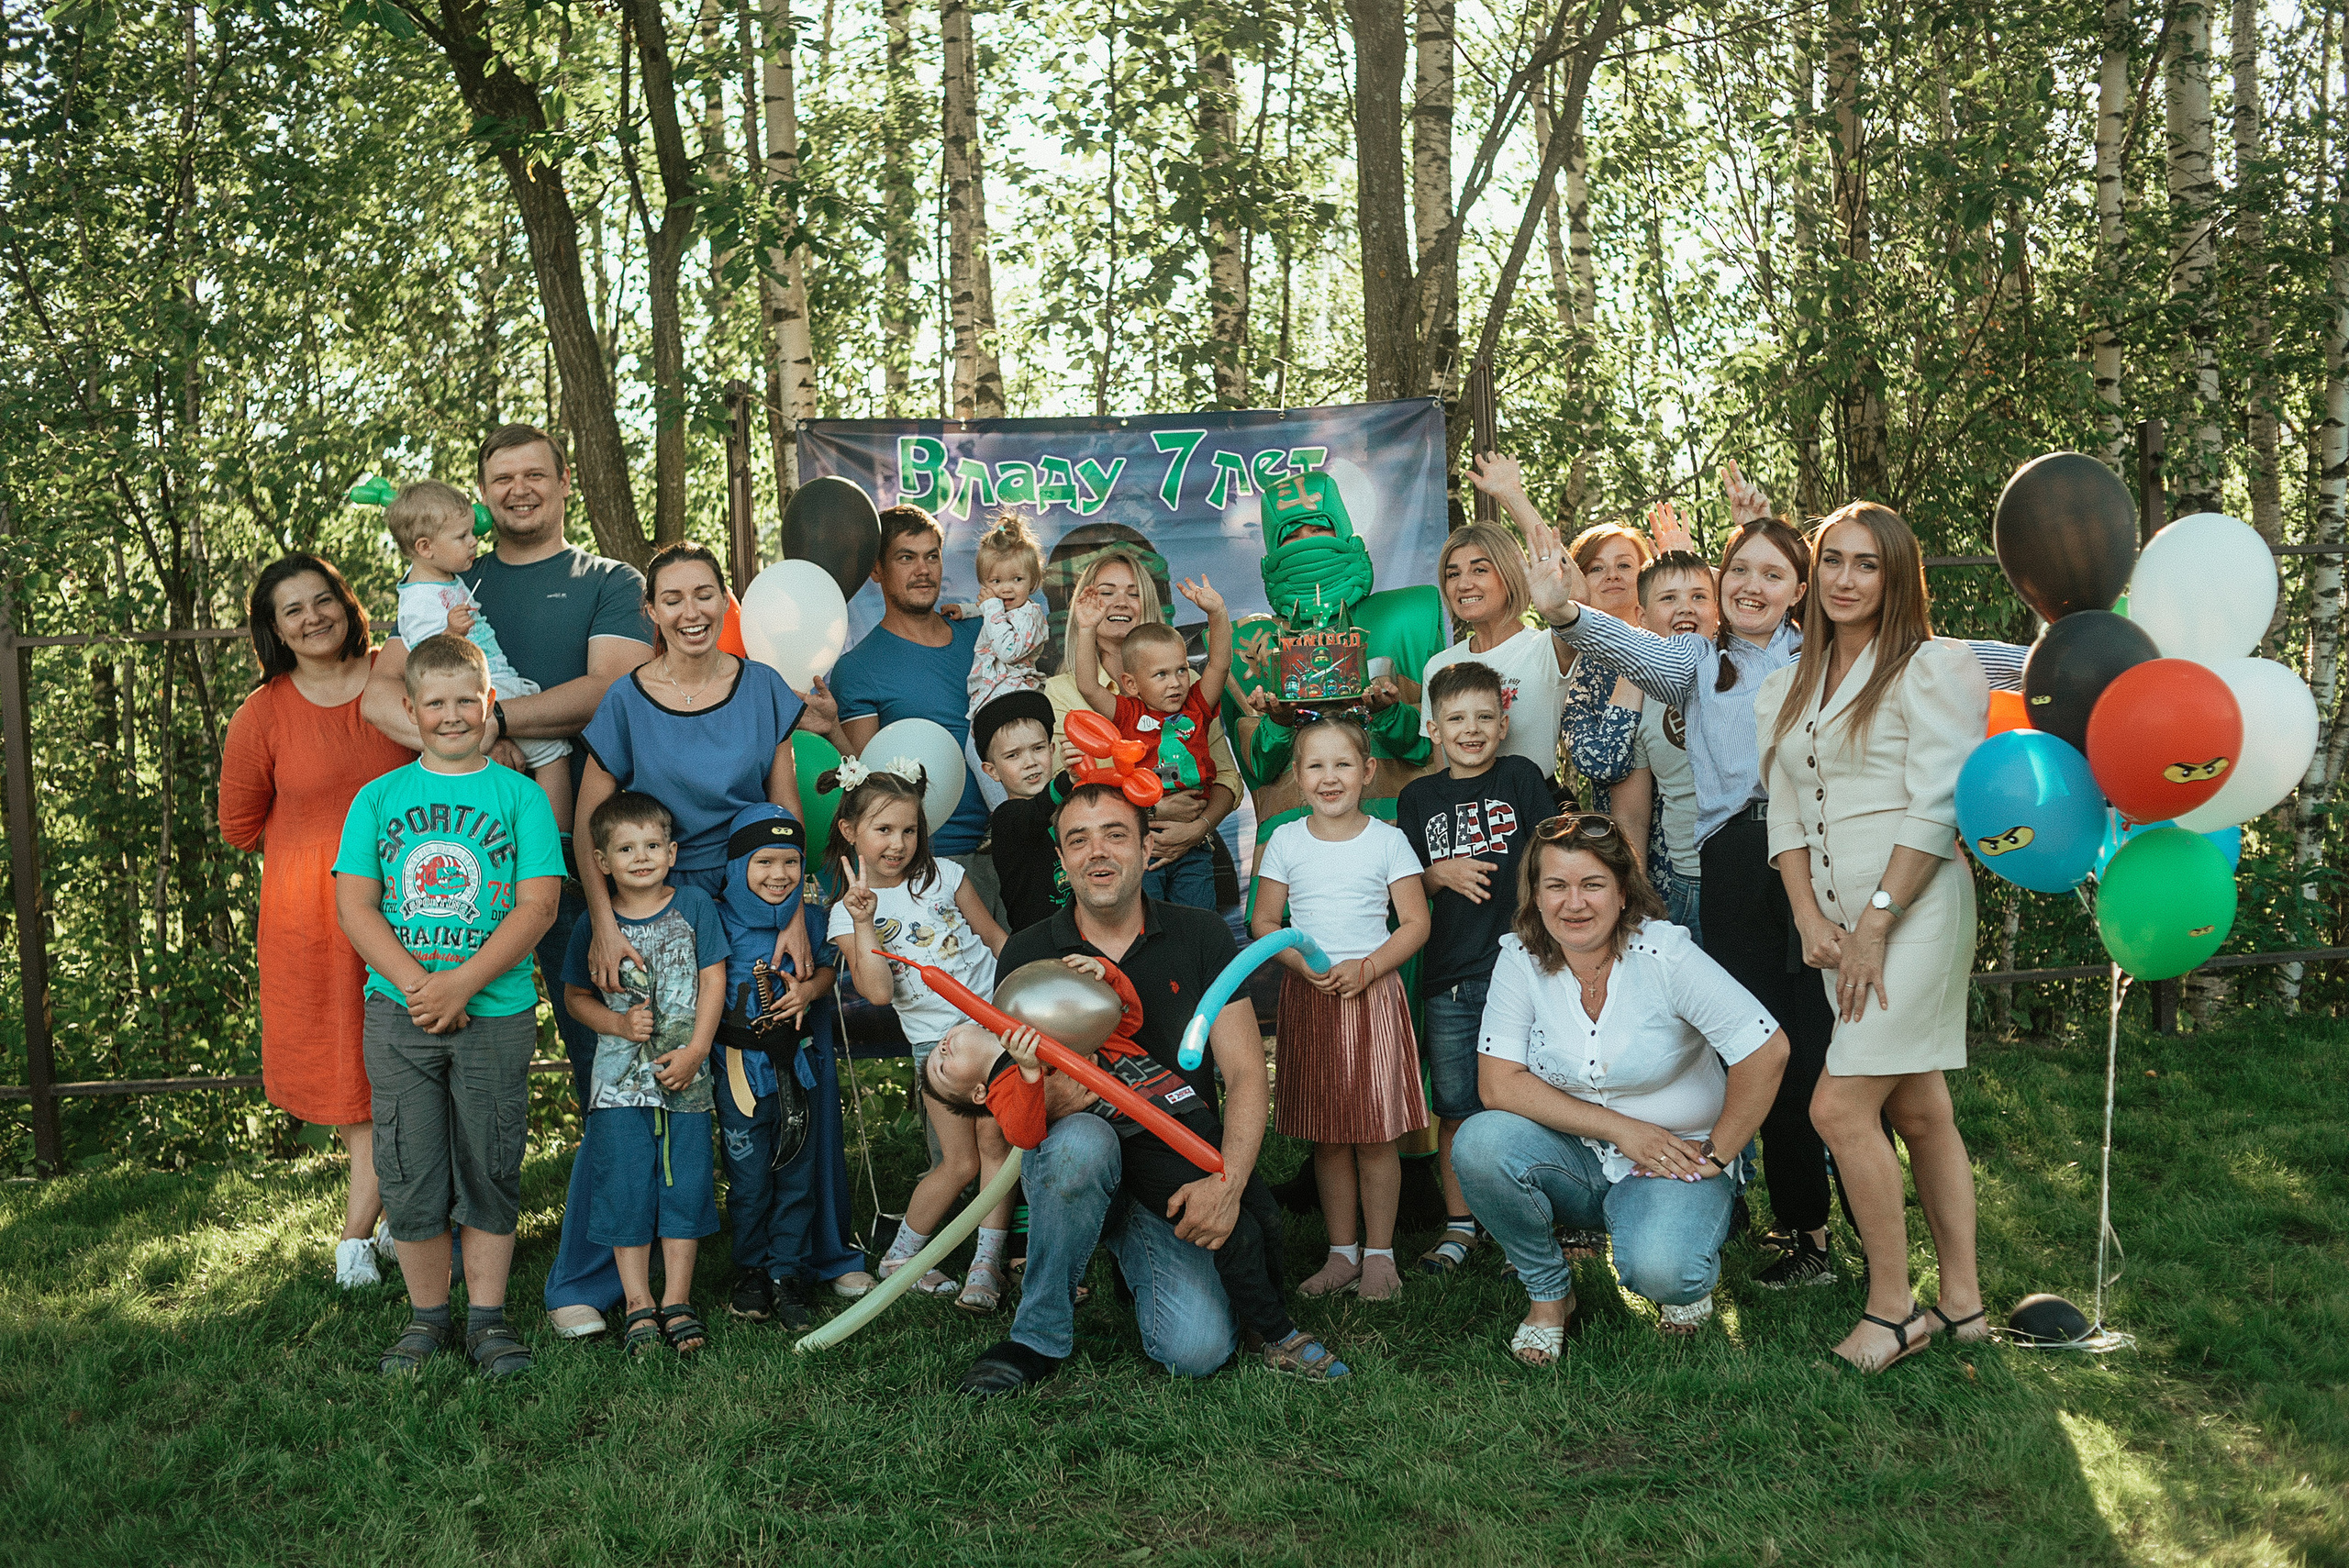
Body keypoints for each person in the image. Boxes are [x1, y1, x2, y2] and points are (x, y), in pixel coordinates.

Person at [1523, 471, 2024, 1293]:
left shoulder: (1829, 653)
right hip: (1738, 863)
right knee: (1771, 1048)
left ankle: (1876, 1231)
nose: (1752, 587)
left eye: (1773, 573)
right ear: (1721, 584)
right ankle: (1805, 1232)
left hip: (1831, 857)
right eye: (1739, 572)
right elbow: (1631, 647)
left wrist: (2068, 653)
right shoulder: (1696, 661)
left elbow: (1976, 662)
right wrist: (1569, 615)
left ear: (1799, 589)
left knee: (1844, 1048)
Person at [360, 421, 656, 1341]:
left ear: (565, 481)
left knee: (605, 1064)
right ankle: (444, 1268)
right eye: (501, 478)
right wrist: (466, 751)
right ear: (481, 494)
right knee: (453, 1077)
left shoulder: (608, 579)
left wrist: (490, 723)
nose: (518, 489)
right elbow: (381, 693)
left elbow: (609, 689)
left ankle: (609, 1265)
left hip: (577, 868)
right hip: (459, 878)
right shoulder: (449, 574)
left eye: (535, 474)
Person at [1759, 503, 1994, 1373]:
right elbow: (1784, 813)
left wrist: (1875, 924)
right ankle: (1963, 1303)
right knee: (1919, 1107)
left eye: (1867, 564)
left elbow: (1937, 808)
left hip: (1914, 915)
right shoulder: (1788, 683)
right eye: (1833, 561)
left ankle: (1893, 1310)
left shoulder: (1932, 667)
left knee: (1836, 1106)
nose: (1846, 579)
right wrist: (1810, 917)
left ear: (1898, 578)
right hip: (1834, 926)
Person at [954, 784, 1270, 1395]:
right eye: (1079, 839)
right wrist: (1052, 1096)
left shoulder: (1202, 934)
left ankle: (1135, 1255)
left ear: (1148, 847)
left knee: (1198, 1350)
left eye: (1115, 834)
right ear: (1062, 859)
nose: (1097, 851)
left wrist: (1227, 1186)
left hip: (1174, 1172)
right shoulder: (1029, 951)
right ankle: (1036, 1335)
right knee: (1080, 1140)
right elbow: (1018, 1101)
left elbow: (1247, 1074)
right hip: (1081, 1155)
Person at [1454, 814, 1791, 1366]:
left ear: (1623, 892)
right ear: (1535, 896)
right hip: (1574, 1154)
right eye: (1556, 886)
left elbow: (1765, 1049)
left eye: (1592, 885)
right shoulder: (1520, 958)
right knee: (1479, 1143)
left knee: (1663, 1271)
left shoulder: (1666, 955)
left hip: (1672, 1157)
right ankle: (1549, 1294)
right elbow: (1498, 1083)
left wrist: (1718, 1154)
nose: (1574, 904)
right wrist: (1622, 1130)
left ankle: (1680, 1247)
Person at [922, 961, 1350, 1379]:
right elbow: (1024, 1131)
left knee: (1263, 1210)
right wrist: (1030, 1073)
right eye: (942, 1070)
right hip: (1147, 1143)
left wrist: (1106, 976)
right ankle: (1279, 1337)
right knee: (1232, 1230)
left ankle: (1260, 1319)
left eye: (940, 1045)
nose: (941, 1050)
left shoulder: (1041, 1017)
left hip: (1187, 1114)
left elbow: (1126, 1020)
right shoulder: (1007, 1083)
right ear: (978, 1093)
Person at [334, 634, 562, 1378]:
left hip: (495, 1011)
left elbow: (537, 905)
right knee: (408, 1166)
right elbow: (356, 905)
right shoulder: (378, 799)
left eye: (468, 699)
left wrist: (461, 983)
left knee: (491, 1159)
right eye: (436, 702)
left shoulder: (521, 797)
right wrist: (418, 984)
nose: (454, 714)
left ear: (490, 702)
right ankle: (427, 1316)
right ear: (410, 709)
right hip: (398, 1015)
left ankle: (488, 1318)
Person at [218, 553, 415, 1288]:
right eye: (292, 609)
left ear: (346, 602)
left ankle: (387, 1222)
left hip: (419, 908)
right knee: (354, 1077)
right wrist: (317, 840)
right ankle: (363, 1234)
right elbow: (239, 825)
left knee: (418, 1060)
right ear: (274, 630)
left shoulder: (396, 676)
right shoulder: (262, 713)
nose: (313, 617)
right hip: (315, 922)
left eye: (323, 599)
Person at [1250, 716, 1431, 1303]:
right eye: (1316, 766)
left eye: (1343, 764)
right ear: (1298, 777)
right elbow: (1264, 922)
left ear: (1368, 771)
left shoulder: (1388, 841)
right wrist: (1301, 964)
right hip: (1312, 995)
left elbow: (1415, 923)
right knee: (1327, 1135)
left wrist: (1369, 968)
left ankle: (1380, 1255)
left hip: (1373, 997)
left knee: (1375, 1134)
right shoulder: (1286, 841)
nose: (1330, 778)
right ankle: (1341, 1252)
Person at [824, 760, 1011, 1307]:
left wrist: (1025, 1000)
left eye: (909, 830)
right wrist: (865, 922)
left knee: (997, 1150)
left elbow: (996, 940)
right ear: (849, 830)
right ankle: (901, 1258)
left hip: (995, 1030)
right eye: (883, 829)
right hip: (940, 1048)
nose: (898, 843)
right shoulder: (844, 915)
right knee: (960, 1162)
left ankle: (985, 1267)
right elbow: (878, 992)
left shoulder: (945, 876)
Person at [1394, 660, 1558, 1273]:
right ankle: (1461, 1225)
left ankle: (1526, 1226)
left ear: (1504, 724)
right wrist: (1437, 873)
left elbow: (1552, 855)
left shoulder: (1520, 777)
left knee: (1526, 1099)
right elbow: (1402, 887)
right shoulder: (1418, 798)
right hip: (1451, 979)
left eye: (1485, 717)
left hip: (1525, 973)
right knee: (1457, 1104)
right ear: (1433, 728)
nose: (1471, 729)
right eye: (1456, 718)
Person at [557, 791, 727, 1358]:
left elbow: (714, 978)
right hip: (618, 1088)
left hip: (686, 1079)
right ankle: (637, 1303)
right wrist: (617, 1023)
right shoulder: (594, 924)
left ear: (672, 853)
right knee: (625, 1190)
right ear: (602, 861)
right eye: (626, 849)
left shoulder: (694, 906)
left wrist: (698, 1049)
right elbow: (575, 997)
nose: (641, 857)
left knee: (686, 1186)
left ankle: (677, 1299)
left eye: (653, 845)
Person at [814, 504, 1004, 918]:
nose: (923, 570)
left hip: (1012, 845)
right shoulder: (858, 668)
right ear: (876, 569)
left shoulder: (983, 634)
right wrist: (832, 731)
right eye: (906, 557)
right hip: (928, 864)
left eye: (932, 556)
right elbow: (866, 780)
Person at [710, 805, 853, 1331]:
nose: (779, 874)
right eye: (764, 862)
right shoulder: (715, 919)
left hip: (798, 1068)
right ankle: (751, 1268)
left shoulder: (810, 919)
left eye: (791, 861)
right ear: (737, 866)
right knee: (748, 1177)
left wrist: (808, 991)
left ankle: (787, 1271)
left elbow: (829, 970)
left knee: (797, 1173)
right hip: (739, 1071)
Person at [1041, 547, 1241, 899]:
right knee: (1144, 924)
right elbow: (1071, 789)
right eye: (1107, 592)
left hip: (1193, 845)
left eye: (1133, 593)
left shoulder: (1192, 694)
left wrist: (1197, 828)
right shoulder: (1100, 704)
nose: (1120, 602)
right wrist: (1149, 809)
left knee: (1196, 923)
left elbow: (1226, 775)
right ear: (1130, 685)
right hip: (1123, 853)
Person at [386, 480, 573, 833]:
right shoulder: (418, 601)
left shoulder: (442, 578)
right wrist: (450, 634)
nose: (474, 541)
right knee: (553, 753)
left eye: (472, 532)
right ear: (425, 547)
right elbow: (428, 662)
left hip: (493, 682)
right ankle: (558, 844)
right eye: (462, 537)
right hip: (481, 688)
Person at [1610, 549, 1720, 938]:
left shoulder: (1746, 666)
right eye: (1669, 598)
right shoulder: (1637, 694)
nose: (1685, 607)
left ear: (1718, 609)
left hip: (1760, 866)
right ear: (1641, 617)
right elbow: (1631, 816)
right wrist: (1636, 897)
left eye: (1699, 596)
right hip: (1688, 879)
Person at [1417, 517, 1569, 781]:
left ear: (1510, 574)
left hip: (1535, 801)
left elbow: (1584, 605)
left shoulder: (1546, 648)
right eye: (1453, 574)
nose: (1464, 584)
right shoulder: (1440, 666)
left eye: (1479, 570)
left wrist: (1513, 498)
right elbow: (1445, 774)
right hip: (1464, 803)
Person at [974, 690, 1075, 932]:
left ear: (1052, 750)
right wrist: (1068, 779)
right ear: (992, 770)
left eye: (1038, 748)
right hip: (1040, 942)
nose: (1030, 762)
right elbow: (1033, 813)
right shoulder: (1005, 818)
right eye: (1013, 755)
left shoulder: (1074, 806)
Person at [960, 513, 1052, 718]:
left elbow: (1008, 652)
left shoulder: (1031, 616)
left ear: (1032, 580)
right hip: (989, 690)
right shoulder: (998, 607)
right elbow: (989, 609)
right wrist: (964, 610)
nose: (1006, 589)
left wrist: (991, 605)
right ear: (984, 583)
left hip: (1015, 693)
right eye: (996, 581)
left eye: (1017, 579)